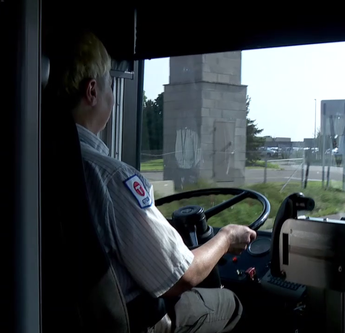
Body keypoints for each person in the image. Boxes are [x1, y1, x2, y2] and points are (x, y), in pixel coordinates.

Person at [48, 31, 257, 333]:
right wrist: (225, 238)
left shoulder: (41, 163)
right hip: (138, 321)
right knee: (230, 303)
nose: (113, 95)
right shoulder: (112, 178)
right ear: (92, 91)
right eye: (109, 84)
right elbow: (183, 277)